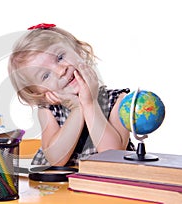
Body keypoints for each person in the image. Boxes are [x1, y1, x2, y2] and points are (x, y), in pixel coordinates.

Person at [8, 23, 135, 166]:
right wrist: (77, 108)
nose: (61, 71)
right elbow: (56, 159)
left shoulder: (118, 100)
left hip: (107, 185)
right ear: (42, 94)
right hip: (60, 187)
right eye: (45, 75)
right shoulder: (48, 110)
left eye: (60, 57)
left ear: (79, 51)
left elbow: (112, 154)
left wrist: (89, 103)